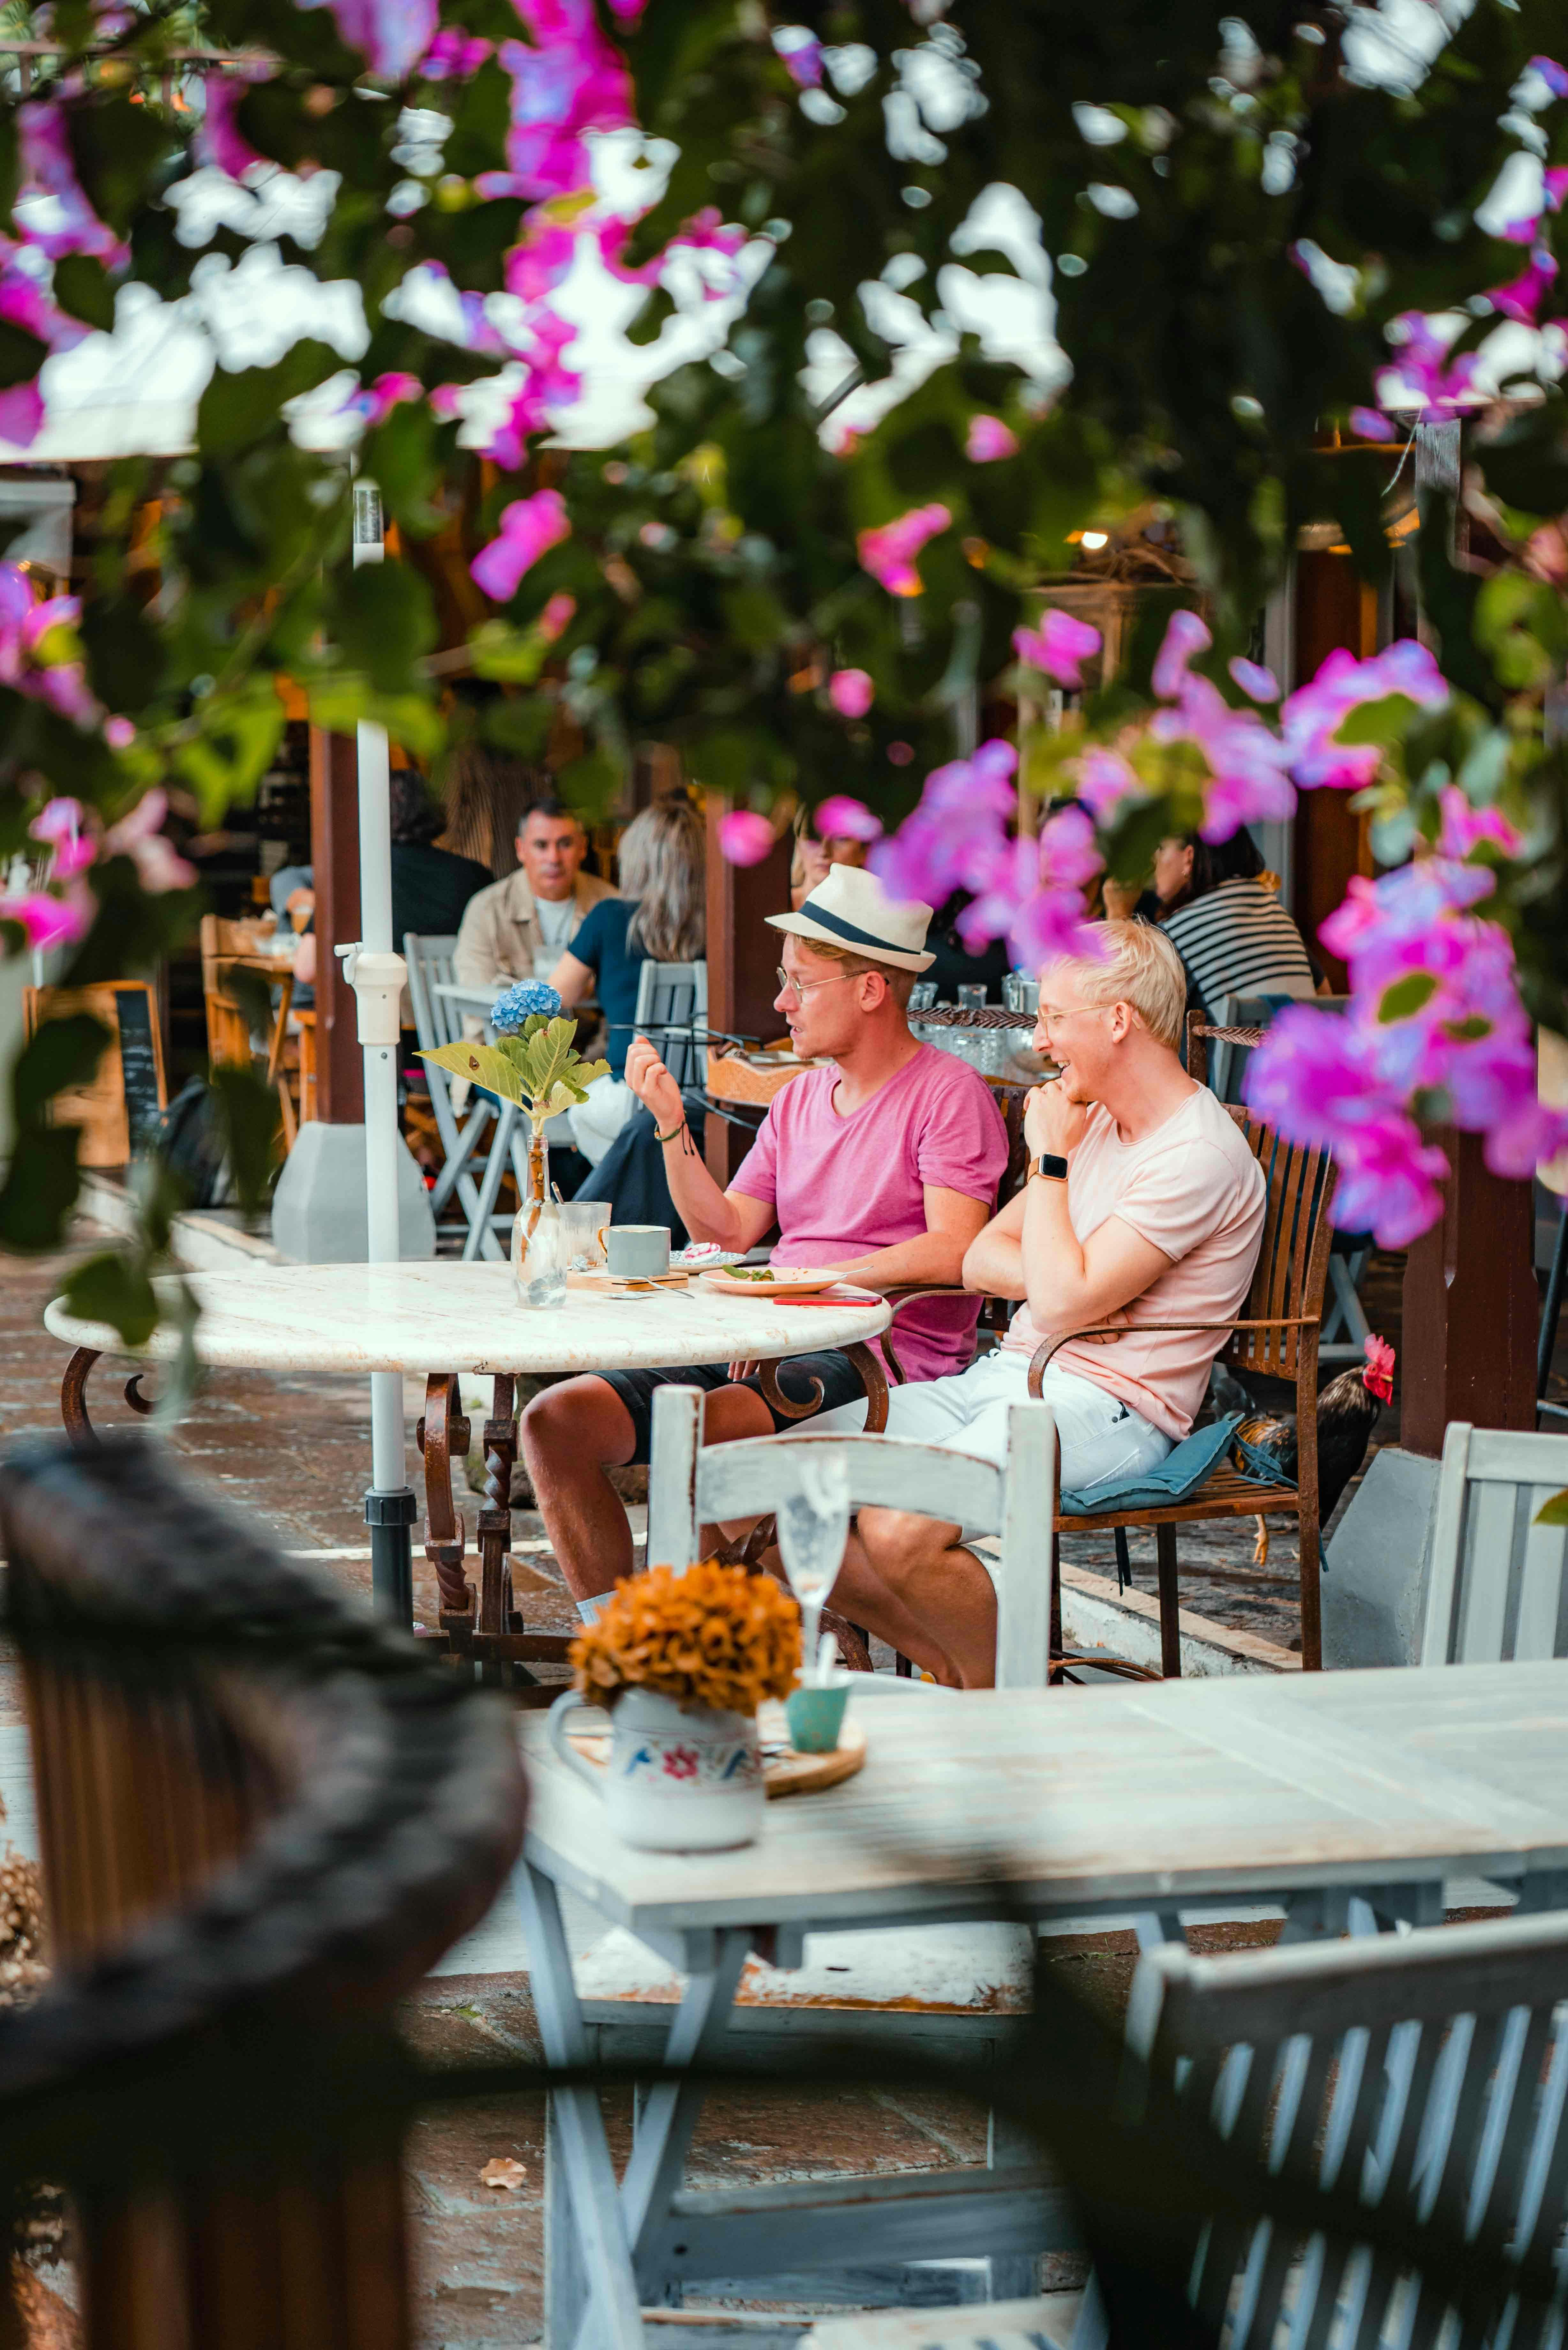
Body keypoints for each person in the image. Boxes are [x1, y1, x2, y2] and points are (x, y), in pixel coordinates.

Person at [519, 865, 1011, 1615]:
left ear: (870, 989)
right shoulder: (801, 1096)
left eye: (800, 984)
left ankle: (723, 1652)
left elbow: (954, 1248)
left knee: (698, 1443)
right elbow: (725, 1229)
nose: (782, 1002)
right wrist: (669, 1124)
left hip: (877, 1354)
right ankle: (623, 1655)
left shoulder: (948, 1094)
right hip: (771, 1334)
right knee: (553, 1424)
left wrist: (805, 1290)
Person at [813, 920, 1267, 1690]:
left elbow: (1057, 1294)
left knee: (899, 1531)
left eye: (1054, 1016)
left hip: (1110, 1408)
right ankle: (988, 1681)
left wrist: (1050, 1170)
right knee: (768, 1480)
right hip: (1011, 1375)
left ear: (1116, 1019)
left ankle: (1004, 1703)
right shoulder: (1089, 1121)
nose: (1041, 1040)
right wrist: (1067, 1284)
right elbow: (979, 1257)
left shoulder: (1192, 1151)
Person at [547, 796, 705, 1166]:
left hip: (630, 1096)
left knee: (579, 1107)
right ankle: (662, 1180)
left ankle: (638, 1184)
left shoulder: (609, 917)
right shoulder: (721, 928)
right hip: (707, 1099)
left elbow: (556, 997)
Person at [289, 770, 490, 994]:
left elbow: (307, 969)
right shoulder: (475, 876)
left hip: (372, 1021)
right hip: (451, 1023)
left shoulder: (352, 876)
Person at [453, 797, 616, 999]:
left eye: (565, 844)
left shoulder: (611, 904)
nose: (554, 858)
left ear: (583, 848)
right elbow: (476, 996)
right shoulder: (487, 909)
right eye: (541, 845)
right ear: (521, 849)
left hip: (589, 1031)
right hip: (509, 1031)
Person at [1152, 829, 1318, 1019]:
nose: (1154, 858)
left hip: (1232, 1048)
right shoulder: (1274, 913)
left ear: (1189, 858)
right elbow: (1325, 995)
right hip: (1300, 1047)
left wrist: (1119, 911)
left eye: (1161, 848)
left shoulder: (1177, 933)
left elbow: (1132, 1017)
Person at [438, 738, 550, 880]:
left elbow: (444, 835)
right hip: (520, 877)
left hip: (477, 879)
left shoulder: (456, 761)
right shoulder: (525, 759)